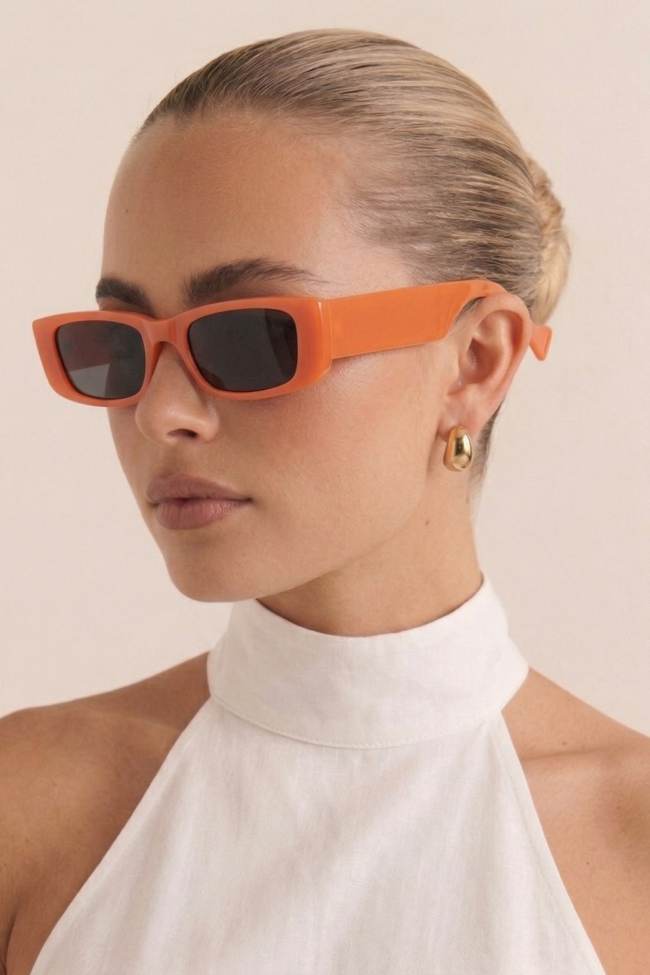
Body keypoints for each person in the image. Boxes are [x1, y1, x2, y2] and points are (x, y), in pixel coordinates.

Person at [2, 27, 649, 975]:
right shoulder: (26, 807)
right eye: (118, 345)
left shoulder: (631, 847)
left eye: (252, 337)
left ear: (476, 362)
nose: (161, 412)